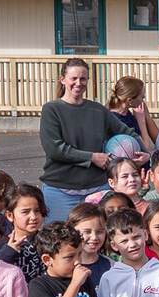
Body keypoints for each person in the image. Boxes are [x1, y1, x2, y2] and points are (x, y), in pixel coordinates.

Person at [41, 58, 143, 220]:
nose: (78, 83)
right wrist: (91, 158)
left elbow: (128, 132)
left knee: (102, 239)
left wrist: (143, 152)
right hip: (60, 191)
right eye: (73, 78)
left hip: (97, 191)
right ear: (63, 80)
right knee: (60, 241)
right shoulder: (51, 110)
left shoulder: (98, 110)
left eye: (83, 78)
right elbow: (55, 149)